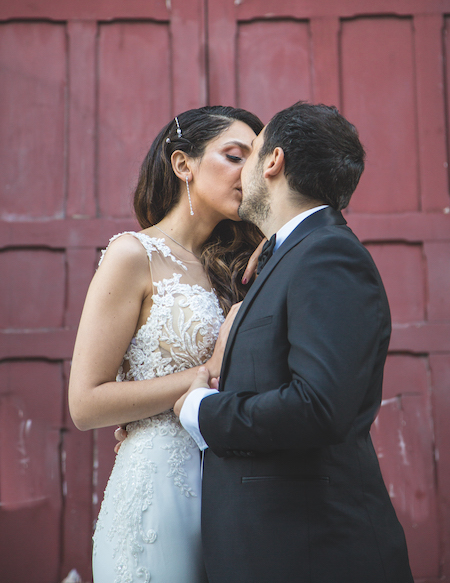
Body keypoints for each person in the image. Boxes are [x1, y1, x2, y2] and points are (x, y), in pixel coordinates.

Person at [175, 102, 414, 583]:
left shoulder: (327, 256)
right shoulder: (294, 254)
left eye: (252, 153)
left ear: (274, 162)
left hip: (314, 556)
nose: (242, 173)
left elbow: (318, 406)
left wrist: (202, 412)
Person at [68, 105, 264, 583]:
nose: (249, 173)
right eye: (234, 156)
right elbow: (85, 403)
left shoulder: (240, 267)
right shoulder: (132, 255)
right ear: (183, 165)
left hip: (233, 491)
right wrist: (199, 376)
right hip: (157, 489)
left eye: (256, 160)